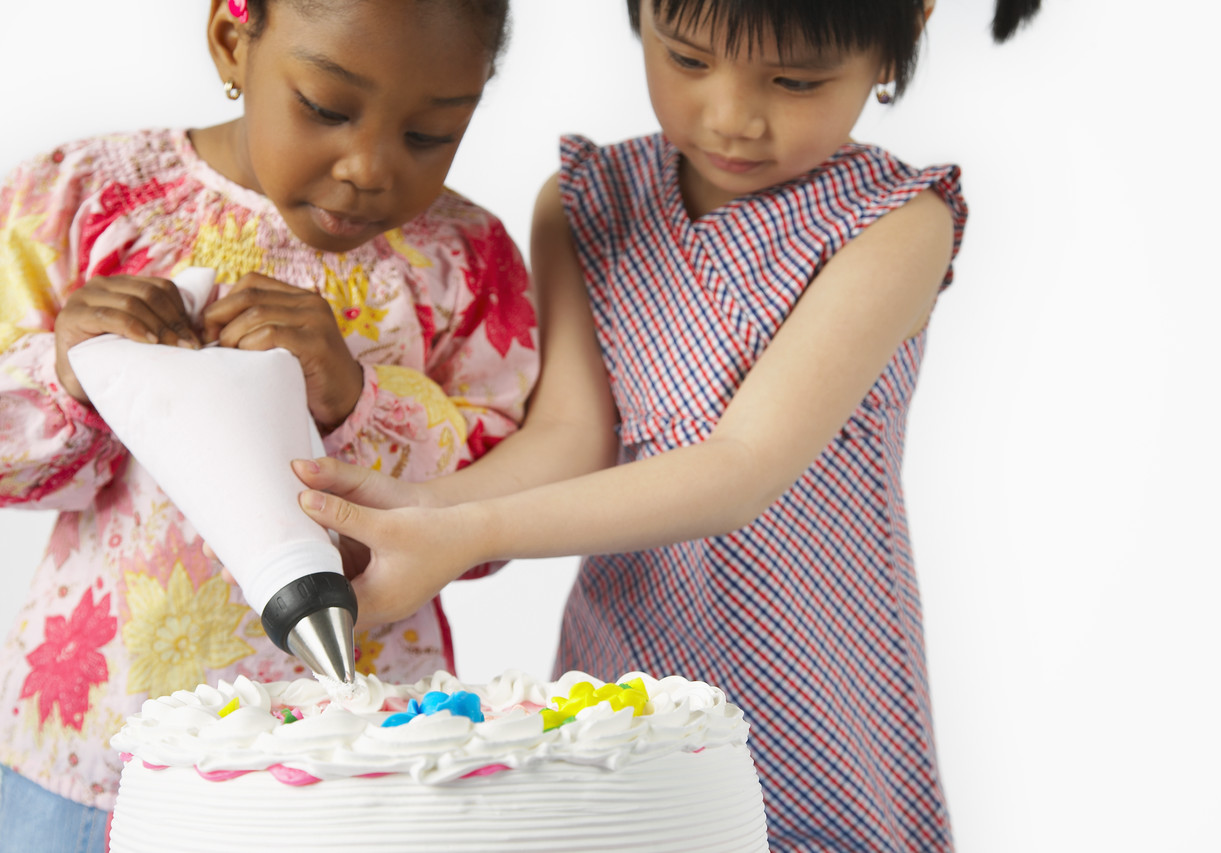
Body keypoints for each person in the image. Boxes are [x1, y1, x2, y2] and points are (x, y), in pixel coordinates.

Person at [293, 0, 1039, 850]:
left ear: (896, 42)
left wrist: (466, 528)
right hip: (632, 641)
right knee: (632, 819)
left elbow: (743, 466)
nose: (730, 116)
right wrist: (413, 510)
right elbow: (571, 438)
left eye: (795, 81)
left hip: (813, 649)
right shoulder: (589, 202)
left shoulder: (898, 221)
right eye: (687, 60)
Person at [0, 0, 534, 849]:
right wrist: (68, 372)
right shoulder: (81, 201)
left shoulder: (464, 261)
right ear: (230, 39)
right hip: (95, 748)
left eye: (429, 134)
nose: (369, 167)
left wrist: (358, 400)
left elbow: (499, 511)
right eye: (327, 108)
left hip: (357, 762)